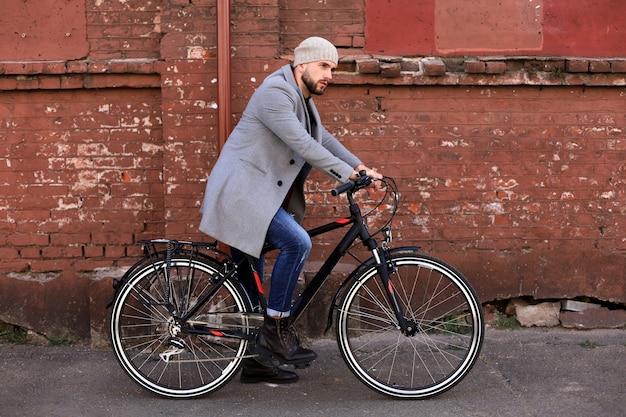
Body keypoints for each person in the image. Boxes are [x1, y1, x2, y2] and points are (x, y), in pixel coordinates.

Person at [199, 36, 382, 384]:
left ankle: (257, 361)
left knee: (252, 294)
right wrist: (348, 173)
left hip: (255, 197)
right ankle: (277, 330)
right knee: (297, 242)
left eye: (333, 68)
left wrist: (360, 166)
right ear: (303, 65)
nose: (330, 74)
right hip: (241, 196)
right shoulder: (275, 93)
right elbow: (303, 144)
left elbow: (321, 137)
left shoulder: (301, 97)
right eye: (324, 66)